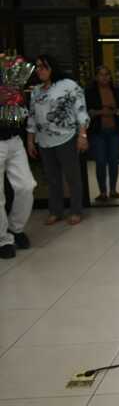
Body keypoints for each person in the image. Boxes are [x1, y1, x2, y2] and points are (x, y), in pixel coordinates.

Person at [26, 54, 89, 226]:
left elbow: (81, 111)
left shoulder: (68, 85)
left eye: (42, 67)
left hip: (66, 138)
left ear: (52, 67)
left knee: (72, 177)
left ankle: (76, 210)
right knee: (52, 179)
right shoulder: (36, 91)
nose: (39, 70)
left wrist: (82, 135)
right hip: (44, 141)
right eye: (37, 67)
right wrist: (30, 140)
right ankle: (56, 211)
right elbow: (32, 117)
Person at [0, 59, 35, 259]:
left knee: (26, 186)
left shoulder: (9, 71)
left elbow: (21, 105)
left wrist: (17, 97)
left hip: (14, 138)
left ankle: (15, 228)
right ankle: (3, 239)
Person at [84, 65, 119, 202]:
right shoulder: (89, 92)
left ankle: (113, 190)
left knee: (113, 161)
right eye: (101, 75)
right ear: (96, 77)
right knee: (100, 161)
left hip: (114, 131)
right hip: (97, 132)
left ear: (110, 77)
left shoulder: (117, 91)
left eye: (107, 74)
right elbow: (86, 111)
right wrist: (99, 112)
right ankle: (102, 192)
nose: (104, 77)